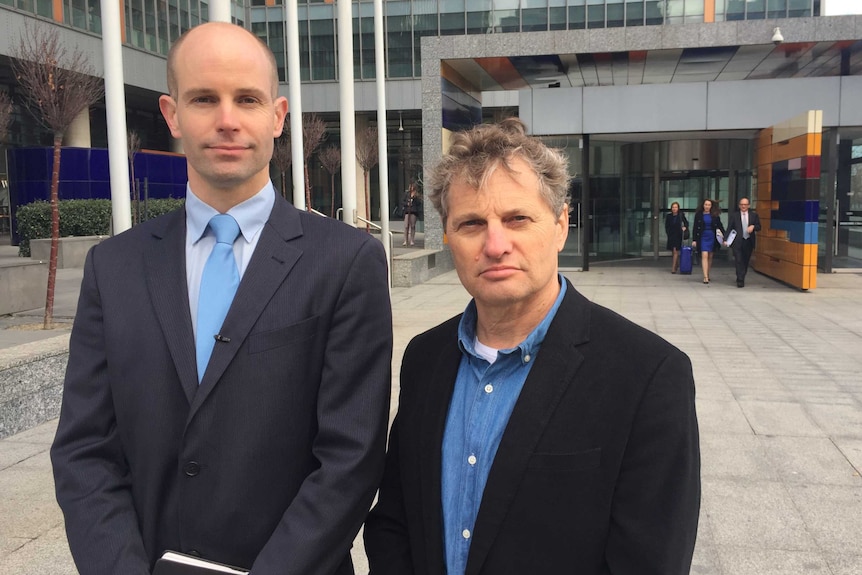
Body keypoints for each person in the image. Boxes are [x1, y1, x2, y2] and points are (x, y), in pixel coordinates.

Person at [50, 22, 392, 575]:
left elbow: (350, 459)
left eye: (248, 99)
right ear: (172, 114)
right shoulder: (113, 269)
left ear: (278, 116)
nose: (227, 120)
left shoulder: (346, 262)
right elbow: (84, 450)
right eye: (204, 98)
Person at [364, 118, 701, 575]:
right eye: (471, 224)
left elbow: (649, 561)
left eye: (517, 218)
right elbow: (394, 519)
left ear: (561, 224)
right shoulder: (425, 358)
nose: (495, 244)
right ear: (448, 235)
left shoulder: (648, 376)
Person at [727, 196, 761, 287]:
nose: (743, 206)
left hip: (748, 241)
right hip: (737, 241)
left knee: (745, 260)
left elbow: (759, 227)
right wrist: (725, 239)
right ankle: (740, 279)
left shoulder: (754, 215)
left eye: (745, 204)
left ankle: (742, 275)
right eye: (742, 204)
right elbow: (729, 228)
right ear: (739, 206)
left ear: (748, 206)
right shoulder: (734, 216)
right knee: (738, 260)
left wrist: (753, 226)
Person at [691, 198, 725, 284]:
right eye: (705, 205)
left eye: (709, 205)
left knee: (710, 256)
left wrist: (725, 237)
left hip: (712, 236)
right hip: (702, 236)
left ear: (711, 206)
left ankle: (708, 273)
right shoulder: (699, 215)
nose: (707, 206)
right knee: (704, 255)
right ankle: (705, 276)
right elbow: (695, 227)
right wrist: (694, 239)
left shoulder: (715, 215)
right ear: (703, 205)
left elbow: (720, 226)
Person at [664, 201, 689, 273]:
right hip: (671, 235)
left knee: (675, 250)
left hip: (678, 235)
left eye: (676, 207)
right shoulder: (669, 216)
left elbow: (686, 223)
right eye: (673, 207)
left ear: (678, 208)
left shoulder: (681, 215)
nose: (674, 209)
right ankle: (676, 263)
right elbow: (667, 226)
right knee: (673, 250)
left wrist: (684, 227)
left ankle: (673, 268)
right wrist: (668, 233)